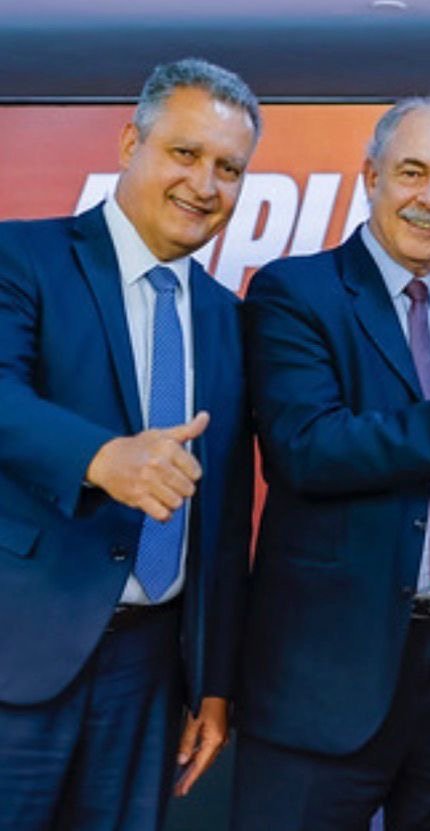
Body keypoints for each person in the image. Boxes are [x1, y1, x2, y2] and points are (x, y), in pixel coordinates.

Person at [232, 97, 430, 830]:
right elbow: (307, 447)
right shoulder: (294, 292)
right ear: (371, 175)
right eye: (412, 172)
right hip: (327, 674)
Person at [0, 58, 259, 830]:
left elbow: (224, 516)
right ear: (128, 143)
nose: (204, 185)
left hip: (149, 673)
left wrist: (214, 682)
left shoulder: (227, 315)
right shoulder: (23, 257)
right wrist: (100, 457)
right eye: (185, 153)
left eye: (228, 168)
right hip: (20, 654)